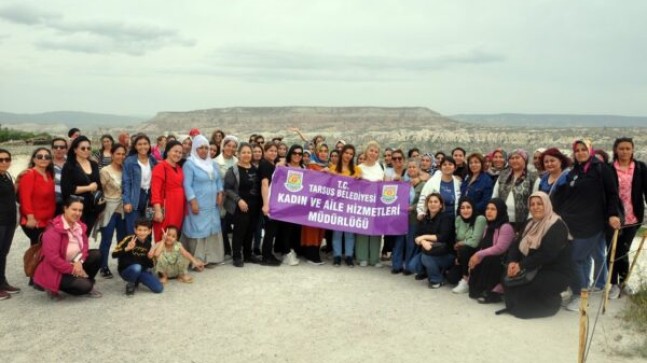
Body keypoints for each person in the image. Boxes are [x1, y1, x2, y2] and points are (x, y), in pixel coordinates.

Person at [553, 139, 621, 311]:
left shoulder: (602, 169)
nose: (580, 153)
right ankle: (582, 289)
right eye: (577, 150)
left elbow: (613, 194)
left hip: (592, 222)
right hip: (572, 222)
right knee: (580, 258)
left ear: (590, 150)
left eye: (584, 149)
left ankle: (580, 295)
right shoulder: (574, 171)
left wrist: (613, 214)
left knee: (575, 258)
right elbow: (566, 195)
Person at [504, 192, 571, 319]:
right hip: (533, 267)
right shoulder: (530, 223)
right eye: (532, 204)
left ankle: (553, 303)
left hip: (554, 271)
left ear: (547, 205)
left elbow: (547, 254)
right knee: (508, 278)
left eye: (539, 204)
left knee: (525, 295)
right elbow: (516, 244)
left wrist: (521, 265)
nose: (536, 207)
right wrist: (512, 262)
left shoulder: (557, 226)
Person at [33, 196, 102, 298]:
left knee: (97, 254)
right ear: (65, 208)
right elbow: (53, 259)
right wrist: (73, 269)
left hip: (74, 262)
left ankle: (84, 281)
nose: (77, 213)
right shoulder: (53, 231)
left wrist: (79, 262)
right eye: (74, 209)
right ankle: (52, 286)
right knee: (85, 286)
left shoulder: (80, 226)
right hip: (56, 269)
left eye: (80, 210)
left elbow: (85, 247)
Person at [607, 137, 647, 299]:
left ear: (632, 150)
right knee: (612, 251)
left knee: (623, 251)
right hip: (613, 217)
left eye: (627, 148)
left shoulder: (640, 167)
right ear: (616, 150)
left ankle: (622, 282)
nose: (624, 151)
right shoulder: (609, 169)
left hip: (632, 217)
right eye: (621, 148)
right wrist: (610, 214)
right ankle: (613, 283)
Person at [181, 135, 225, 268]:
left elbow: (218, 180)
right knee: (198, 229)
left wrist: (220, 192)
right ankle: (197, 259)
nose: (204, 150)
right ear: (195, 149)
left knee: (212, 228)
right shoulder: (190, 164)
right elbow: (186, 185)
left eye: (206, 148)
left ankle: (211, 258)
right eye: (201, 148)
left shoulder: (213, 164)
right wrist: (192, 201)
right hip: (198, 204)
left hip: (212, 205)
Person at [467, 198, 514, 303]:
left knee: (490, 259)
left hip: (502, 261)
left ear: (500, 211)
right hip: (489, 257)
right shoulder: (488, 226)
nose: (489, 211)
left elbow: (500, 248)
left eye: (493, 209)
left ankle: (493, 291)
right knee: (479, 257)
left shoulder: (506, 227)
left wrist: (479, 254)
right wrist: (475, 257)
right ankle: (481, 288)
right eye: (487, 208)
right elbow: (483, 245)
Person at [225, 143, 263, 267]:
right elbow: (227, 189)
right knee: (239, 232)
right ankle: (236, 256)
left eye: (249, 152)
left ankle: (248, 255)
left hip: (254, 206)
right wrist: (239, 200)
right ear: (238, 154)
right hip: (240, 206)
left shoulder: (255, 169)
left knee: (250, 231)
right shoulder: (233, 170)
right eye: (244, 152)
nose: (247, 155)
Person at [408, 193, 455, 288]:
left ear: (441, 205)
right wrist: (423, 242)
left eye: (436, 202)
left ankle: (436, 279)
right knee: (412, 266)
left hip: (446, 253)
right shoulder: (424, 218)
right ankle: (429, 271)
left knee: (426, 257)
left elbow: (443, 236)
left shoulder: (446, 218)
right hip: (428, 250)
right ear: (427, 204)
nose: (433, 204)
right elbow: (416, 236)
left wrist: (423, 237)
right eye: (430, 202)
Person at [61, 136, 101, 236]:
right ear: (75, 150)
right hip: (76, 208)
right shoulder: (69, 166)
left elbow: (98, 184)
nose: (86, 150)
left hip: (92, 208)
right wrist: (88, 188)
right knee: (75, 236)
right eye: (83, 148)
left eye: (88, 148)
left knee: (85, 236)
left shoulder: (94, 164)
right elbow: (67, 189)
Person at [98, 143, 127, 279]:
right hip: (109, 208)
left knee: (122, 239)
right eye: (118, 153)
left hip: (123, 209)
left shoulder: (126, 169)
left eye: (123, 154)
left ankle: (122, 264)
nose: (120, 156)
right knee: (107, 239)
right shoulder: (105, 171)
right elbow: (100, 190)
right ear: (112, 154)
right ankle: (103, 266)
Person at [328, 144, 361, 267]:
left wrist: (360, 179)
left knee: (349, 232)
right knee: (337, 232)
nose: (348, 156)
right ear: (342, 153)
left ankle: (348, 256)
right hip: (337, 204)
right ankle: (337, 256)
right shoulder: (333, 168)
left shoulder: (357, 170)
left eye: (351, 154)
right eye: (346, 153)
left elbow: (362, 187)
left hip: (351, 205)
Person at [112, 218, 163, 296]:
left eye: (145, 230)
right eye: (139, 230)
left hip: (141, 270)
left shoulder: (148, 244)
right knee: (137, 267)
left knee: (158, 288)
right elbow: (114, 254)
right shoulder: (129, 239)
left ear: (149, 231)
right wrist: (127, 248)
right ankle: (131, 285)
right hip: (126, 270)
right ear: (135, 230)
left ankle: (136, 279)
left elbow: (150, 265)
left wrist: (150, 257)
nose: (142, 233)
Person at [492, 149, 538, 232]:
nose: (514, 160)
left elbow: (535, 201)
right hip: (502, 220)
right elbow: (494, 196)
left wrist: (530, 221)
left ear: (525, 159)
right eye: (511, 158)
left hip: (523, 223)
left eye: (517, 158)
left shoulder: (533, 178)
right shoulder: (502, 175)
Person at [18, 147, 56, 247]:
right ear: (34, 159)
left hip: (48, 220)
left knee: (45, 250)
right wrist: (30, 218)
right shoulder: (29, 174)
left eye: (47, 157)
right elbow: (25, 198)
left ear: (50, 160)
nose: (43, 159)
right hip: (35, 221)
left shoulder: (48, 175)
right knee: (38, 250)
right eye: (39, 156)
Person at [356, 141, 385, 267]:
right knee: (363, 230)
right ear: (366, 152)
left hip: (377, 203)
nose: (373, 153)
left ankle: (374, 259)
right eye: (371, 150)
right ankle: (362, 257)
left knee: (376, 231)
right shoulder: (360, 168)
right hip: (363, 203)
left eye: (376, 151)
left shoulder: (380, 167)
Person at [300, 143, 329, 264]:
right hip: (312, 203)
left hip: (324, 203)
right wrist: (323, 172)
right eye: (320, 151)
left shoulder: (330, 166)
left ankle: (316, 253)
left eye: (325, 151)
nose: (323, 153)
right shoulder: (311, 165)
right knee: (311, 228)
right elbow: (309, 181)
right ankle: (311, 255)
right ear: (316, 153)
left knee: (320, 229)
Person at [151, 141, 186, 242]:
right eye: (175, 151)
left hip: (178, 207)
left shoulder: (179, 168)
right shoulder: (160, 168)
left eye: (180, 152)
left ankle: (171, 257)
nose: (178, 154)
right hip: (166, 207)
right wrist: (157, 211)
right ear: (167, 152)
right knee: (163, 234)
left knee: (174, 234)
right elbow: (155, 191)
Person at [259, 143, 287, 266]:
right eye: (270, 151)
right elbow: (264, 184)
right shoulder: (265, 164)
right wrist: (266, 204)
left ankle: (268, 254)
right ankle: (266, 257)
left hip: (273, 201)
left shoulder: (272, 164)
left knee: (272, 230)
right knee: (270, 231)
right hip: (268, 202)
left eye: (275, 151)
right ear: (264, 152)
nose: (273, 153)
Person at [123, 134, 157, 234]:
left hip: (149, 200)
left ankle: (146, 250)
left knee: (148, 229)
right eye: (139, 144)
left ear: (149, 145)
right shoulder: (130, 161)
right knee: (133, 230)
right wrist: (127, 201)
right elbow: (126, 182)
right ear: (135, 146)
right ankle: (133, 249)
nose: (143, 147)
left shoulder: (152, 160)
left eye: (145, 144)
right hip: (135, 198)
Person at [451, 197, 487, 294]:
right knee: (451, 278)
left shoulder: (480, 219)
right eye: (462, 208)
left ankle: (466, 279)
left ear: (473, 208)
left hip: (477, 252)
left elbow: (475, 242)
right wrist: (458, 256)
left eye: (468, 207)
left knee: (465, 249)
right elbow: (457, 238)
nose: (465, 210)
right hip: (463, 252)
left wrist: (461, 243)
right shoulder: (458, 219)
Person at [215, 135, 239, 258]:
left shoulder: (237, 161)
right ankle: (224, 249)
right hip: (220, 197)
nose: (231, 148)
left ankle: (233, 250)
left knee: (232, 223)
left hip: (233, 198)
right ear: (223, 146)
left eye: (234, 146)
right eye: (228, 145)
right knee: (222, 223)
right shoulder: (215, 162)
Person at [417, 156, 462, 220]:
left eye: (450, 164)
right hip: (435, 220)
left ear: (455, 168)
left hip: (453, 220)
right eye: (444, 164)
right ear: (440, 167)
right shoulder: (432, 182)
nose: (447, 166)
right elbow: (423, 198)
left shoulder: (458, 183)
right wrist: (421, 213)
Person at [0, 148, 19, 299]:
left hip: (9, 221)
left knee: (3, 252)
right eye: (1, 160)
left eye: (7, 159)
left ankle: (2, 282)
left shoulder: (6, 176)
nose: (4, 162)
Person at [51, 138, 68, 214]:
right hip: (50, 204)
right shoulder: (45, 164)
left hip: (68, 204)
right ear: (52, 149)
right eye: (56, 147)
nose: (58, 149)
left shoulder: (72, 163)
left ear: (66, 149)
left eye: (62, 147)